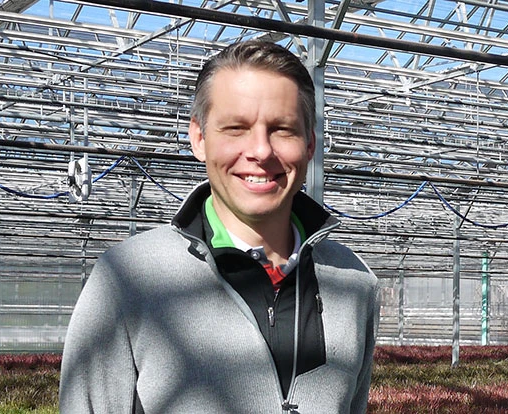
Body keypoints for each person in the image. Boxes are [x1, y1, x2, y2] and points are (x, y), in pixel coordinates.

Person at [59, 40, 379, 414]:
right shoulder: (128, 279)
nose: (261, 151)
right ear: (199, 138)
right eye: (235, 128)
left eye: (282, 129)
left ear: (309, 144)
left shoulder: (354, 283)